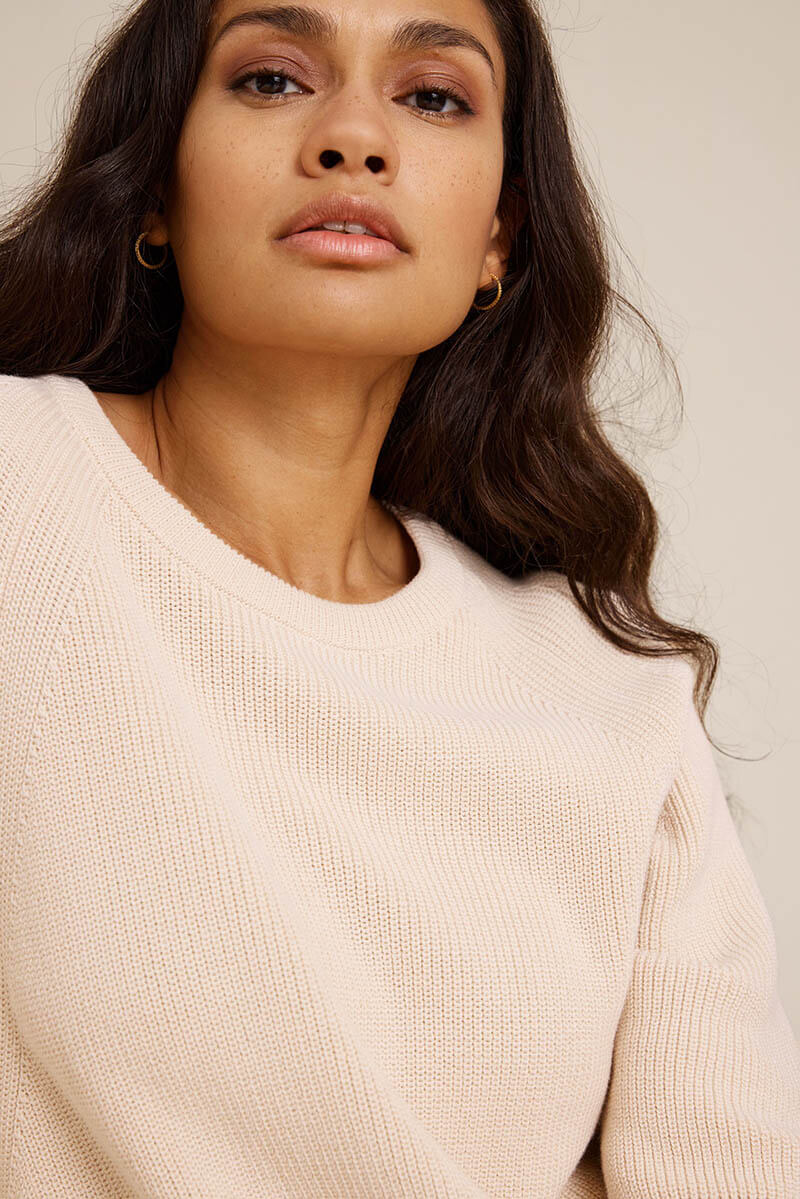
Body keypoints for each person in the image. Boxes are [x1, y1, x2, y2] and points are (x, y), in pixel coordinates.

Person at [1, 0, 798, 1194]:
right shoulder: (22, 490)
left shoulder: (615, 696)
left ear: (498, 238)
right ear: (156, 187)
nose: (353, 137)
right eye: (271, 79)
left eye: (432, 96)